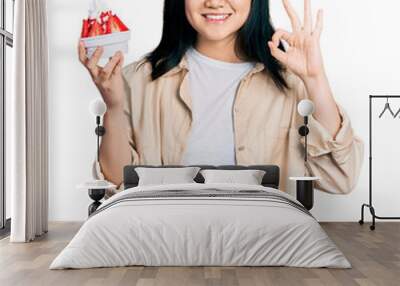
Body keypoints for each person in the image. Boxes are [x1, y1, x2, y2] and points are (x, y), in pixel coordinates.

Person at [78, 0, 364, 196]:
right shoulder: (135, 79)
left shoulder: (292, 82)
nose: (215, 1)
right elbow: (115, 185)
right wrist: (113, 107)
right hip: (168, 243)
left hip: (264, 249)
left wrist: (315, 78)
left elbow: (342, 179)